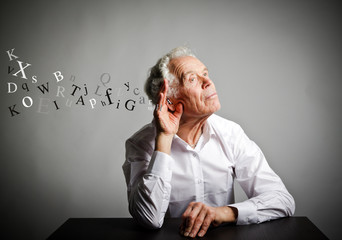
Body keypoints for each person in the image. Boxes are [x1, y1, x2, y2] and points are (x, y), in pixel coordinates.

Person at [122, 46, 295, 238]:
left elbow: (282, 200)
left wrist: (223, 213)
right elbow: (148, 219)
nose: (208, 82)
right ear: (169, 100)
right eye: (192, 79)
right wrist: (164, 138)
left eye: (205, 73)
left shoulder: (231, 133)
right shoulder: (140, 144)